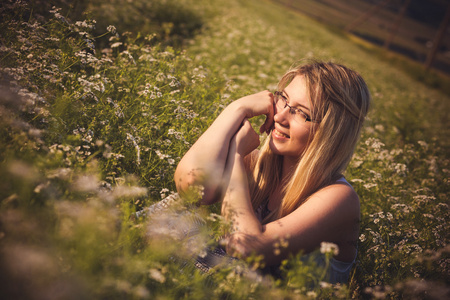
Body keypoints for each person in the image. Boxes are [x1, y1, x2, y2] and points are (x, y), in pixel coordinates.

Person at [173, 60, 371, 283]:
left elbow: (245, 248)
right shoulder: (258, 164)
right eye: (283, 99)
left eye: (300, 113)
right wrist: (235, 110)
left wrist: (235, 155)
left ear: (332, 132)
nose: (279, 117)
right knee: (171, 216)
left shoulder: (339, 198)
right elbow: (191, 189)